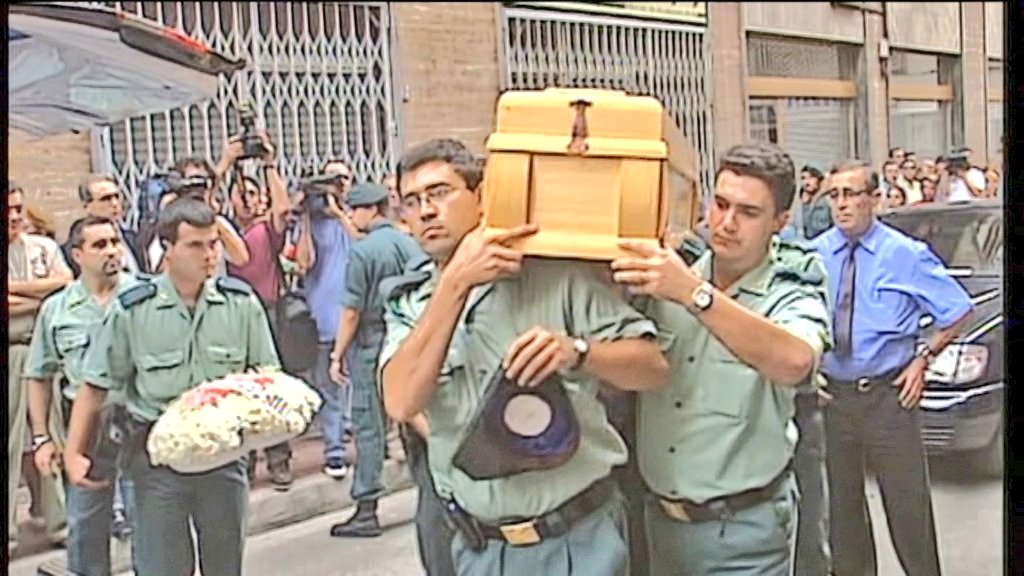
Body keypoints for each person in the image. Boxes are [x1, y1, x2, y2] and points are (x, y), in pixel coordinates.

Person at [380, 138, 669, 576]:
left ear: (482, 197)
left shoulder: (554, 279)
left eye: (440, 193)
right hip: (481, 547)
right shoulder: (411, 307)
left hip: (577, 539)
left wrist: (577, 352)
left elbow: (651, 367)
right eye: (412, 201)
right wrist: (454, 285)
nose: (425, 211)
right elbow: (401, 401)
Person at [610, 142, 832, 576]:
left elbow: (795, 362)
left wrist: (693, 294)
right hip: (660, 525)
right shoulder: (668, 274)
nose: (727, 223)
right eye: (721, 204)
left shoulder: (790, 285)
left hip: (744, 534)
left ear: (780, 222)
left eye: (748, 213)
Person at [62, 199, 280, 576]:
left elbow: (266, 379)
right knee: (162, 566)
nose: (209, 255)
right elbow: (95, 385)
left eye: (213, 244)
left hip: (223, 459)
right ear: (167, 247)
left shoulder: (241, 304)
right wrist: (73, 452)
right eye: (195, 245)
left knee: (225, 565)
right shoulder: (132, 310)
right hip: (155, 462)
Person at [811, 160, 974, 576]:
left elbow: (957, 310)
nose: (842, 205)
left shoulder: (904, 255)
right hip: (833, 398)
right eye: (835, 196)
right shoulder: (816, 255)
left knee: (907, 508)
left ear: (875, 199)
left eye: (852, 195)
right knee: (842, 510)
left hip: (888, 397)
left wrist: (923, 358)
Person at [24, 216, 140, 576]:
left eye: (114, 242)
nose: (111, 252)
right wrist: (42, 438)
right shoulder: (57, 310)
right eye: (99, 245)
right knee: (86, 530)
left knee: (152, 527)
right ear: (77, 255)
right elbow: (39, 375)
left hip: (139, 419)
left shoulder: (145, 296)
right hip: (85, 427)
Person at [327, 182, 425, 537]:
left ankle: (366, 508)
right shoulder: (409, 241)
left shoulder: (363, 252)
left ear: (370, 210)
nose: (351, 216)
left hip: (372, 343)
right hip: (410, 338)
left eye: (354, 209)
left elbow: (351, 311)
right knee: (416, 416)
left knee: (369, 426)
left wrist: (337, 354)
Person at [223, 132, 295, 491]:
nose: (247, 200)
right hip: (232, 316)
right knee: (238, 391)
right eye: (242, 193)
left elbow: (282, 210)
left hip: (267, 313)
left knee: (271, 388)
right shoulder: (222, 231)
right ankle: (245, 461)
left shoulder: (267, 230)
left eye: (253, 194)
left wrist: (268, 163)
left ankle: (279, 458)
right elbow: (197, 209)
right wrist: (225, 163)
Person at [8, 183, 73, 554]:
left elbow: (64, 287)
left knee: (48, 437)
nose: (15, 216)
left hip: (39, 350)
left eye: (18, 208)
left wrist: (20, 289)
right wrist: (39, 295)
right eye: (8, 210)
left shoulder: (43, 248)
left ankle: (59, 522)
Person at [295, 159, 364, 479]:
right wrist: (306, 217)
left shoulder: (353, 220)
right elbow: (303, 263)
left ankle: (364, 446)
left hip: (354, 315)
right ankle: (334, 451)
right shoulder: (310, 224)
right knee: (329, 387)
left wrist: (338, 212)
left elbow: (364, 248)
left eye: (340, 179)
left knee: (359, 384)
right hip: (323, 319)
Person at [63, 175, 143, 276]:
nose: (114, 203)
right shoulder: (76, 246)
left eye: (117, 197)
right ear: (86, 206)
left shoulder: (132, 237)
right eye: (105, 199)